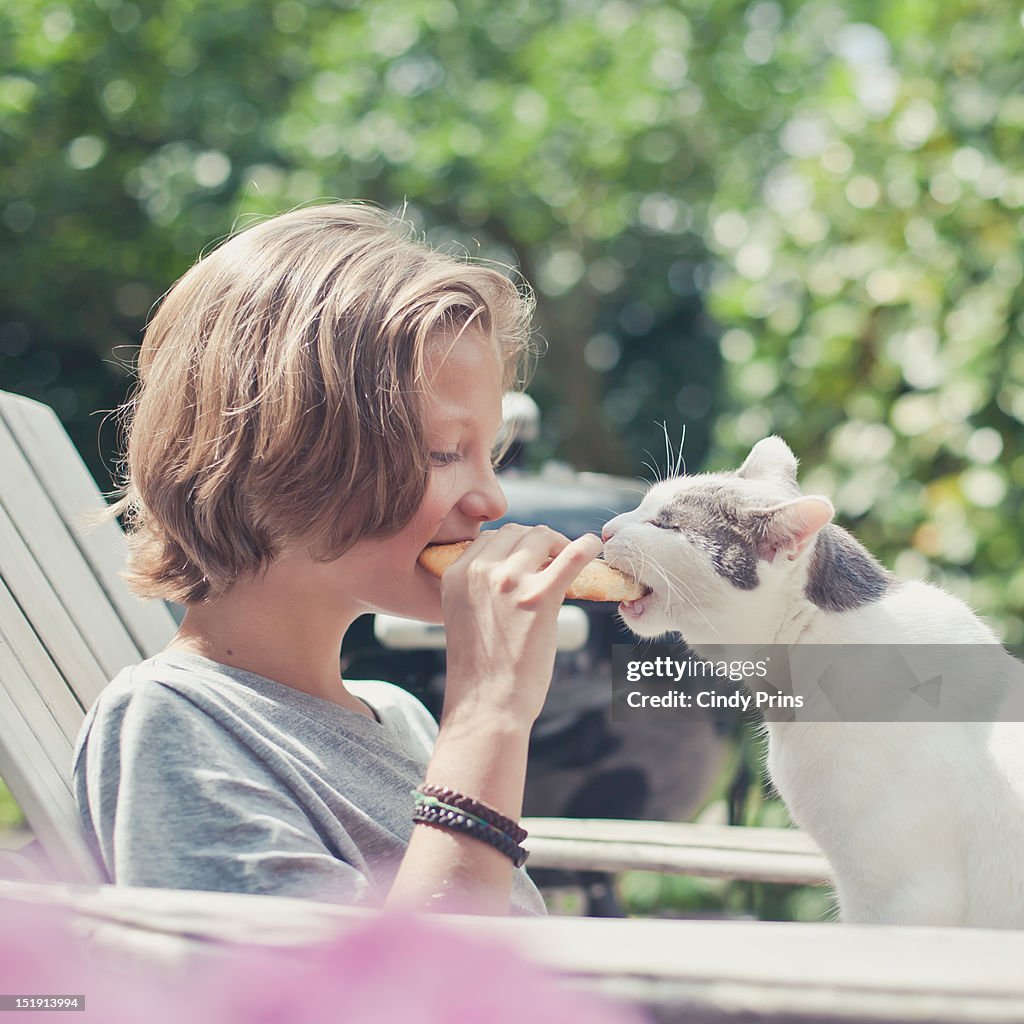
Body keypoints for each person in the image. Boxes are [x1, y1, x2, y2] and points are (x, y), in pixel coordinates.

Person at [72, 203, 603, 915]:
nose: (492, 498)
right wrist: (487, 714)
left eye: (492, 452)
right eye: (446, 452)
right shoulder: (173, 726)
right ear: (288, 457)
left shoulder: (399, 721)